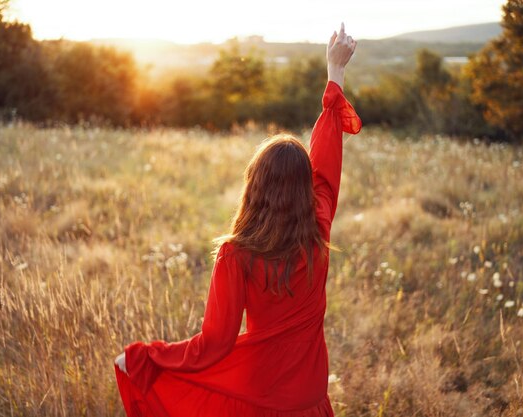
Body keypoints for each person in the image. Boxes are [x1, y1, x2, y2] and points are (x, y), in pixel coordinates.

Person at [114, 22, 361, 417]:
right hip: (309, 400)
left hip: (258, 398)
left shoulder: (236, 255)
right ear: (304, 188)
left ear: (254, 185)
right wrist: (336, 74)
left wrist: (149, 357)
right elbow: (328, 162)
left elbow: (213, 345)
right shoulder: (318, 228)